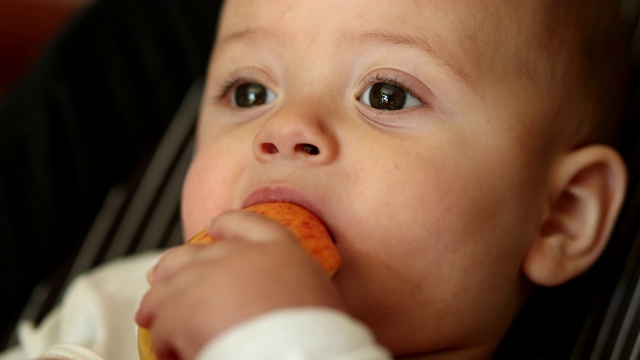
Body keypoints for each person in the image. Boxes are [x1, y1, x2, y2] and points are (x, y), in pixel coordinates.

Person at [1, 0, 632, 359]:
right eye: (250, 91)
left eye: (386, 95)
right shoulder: (117, 304)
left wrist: (276, 333)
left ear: (561, 216)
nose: (283, 126)